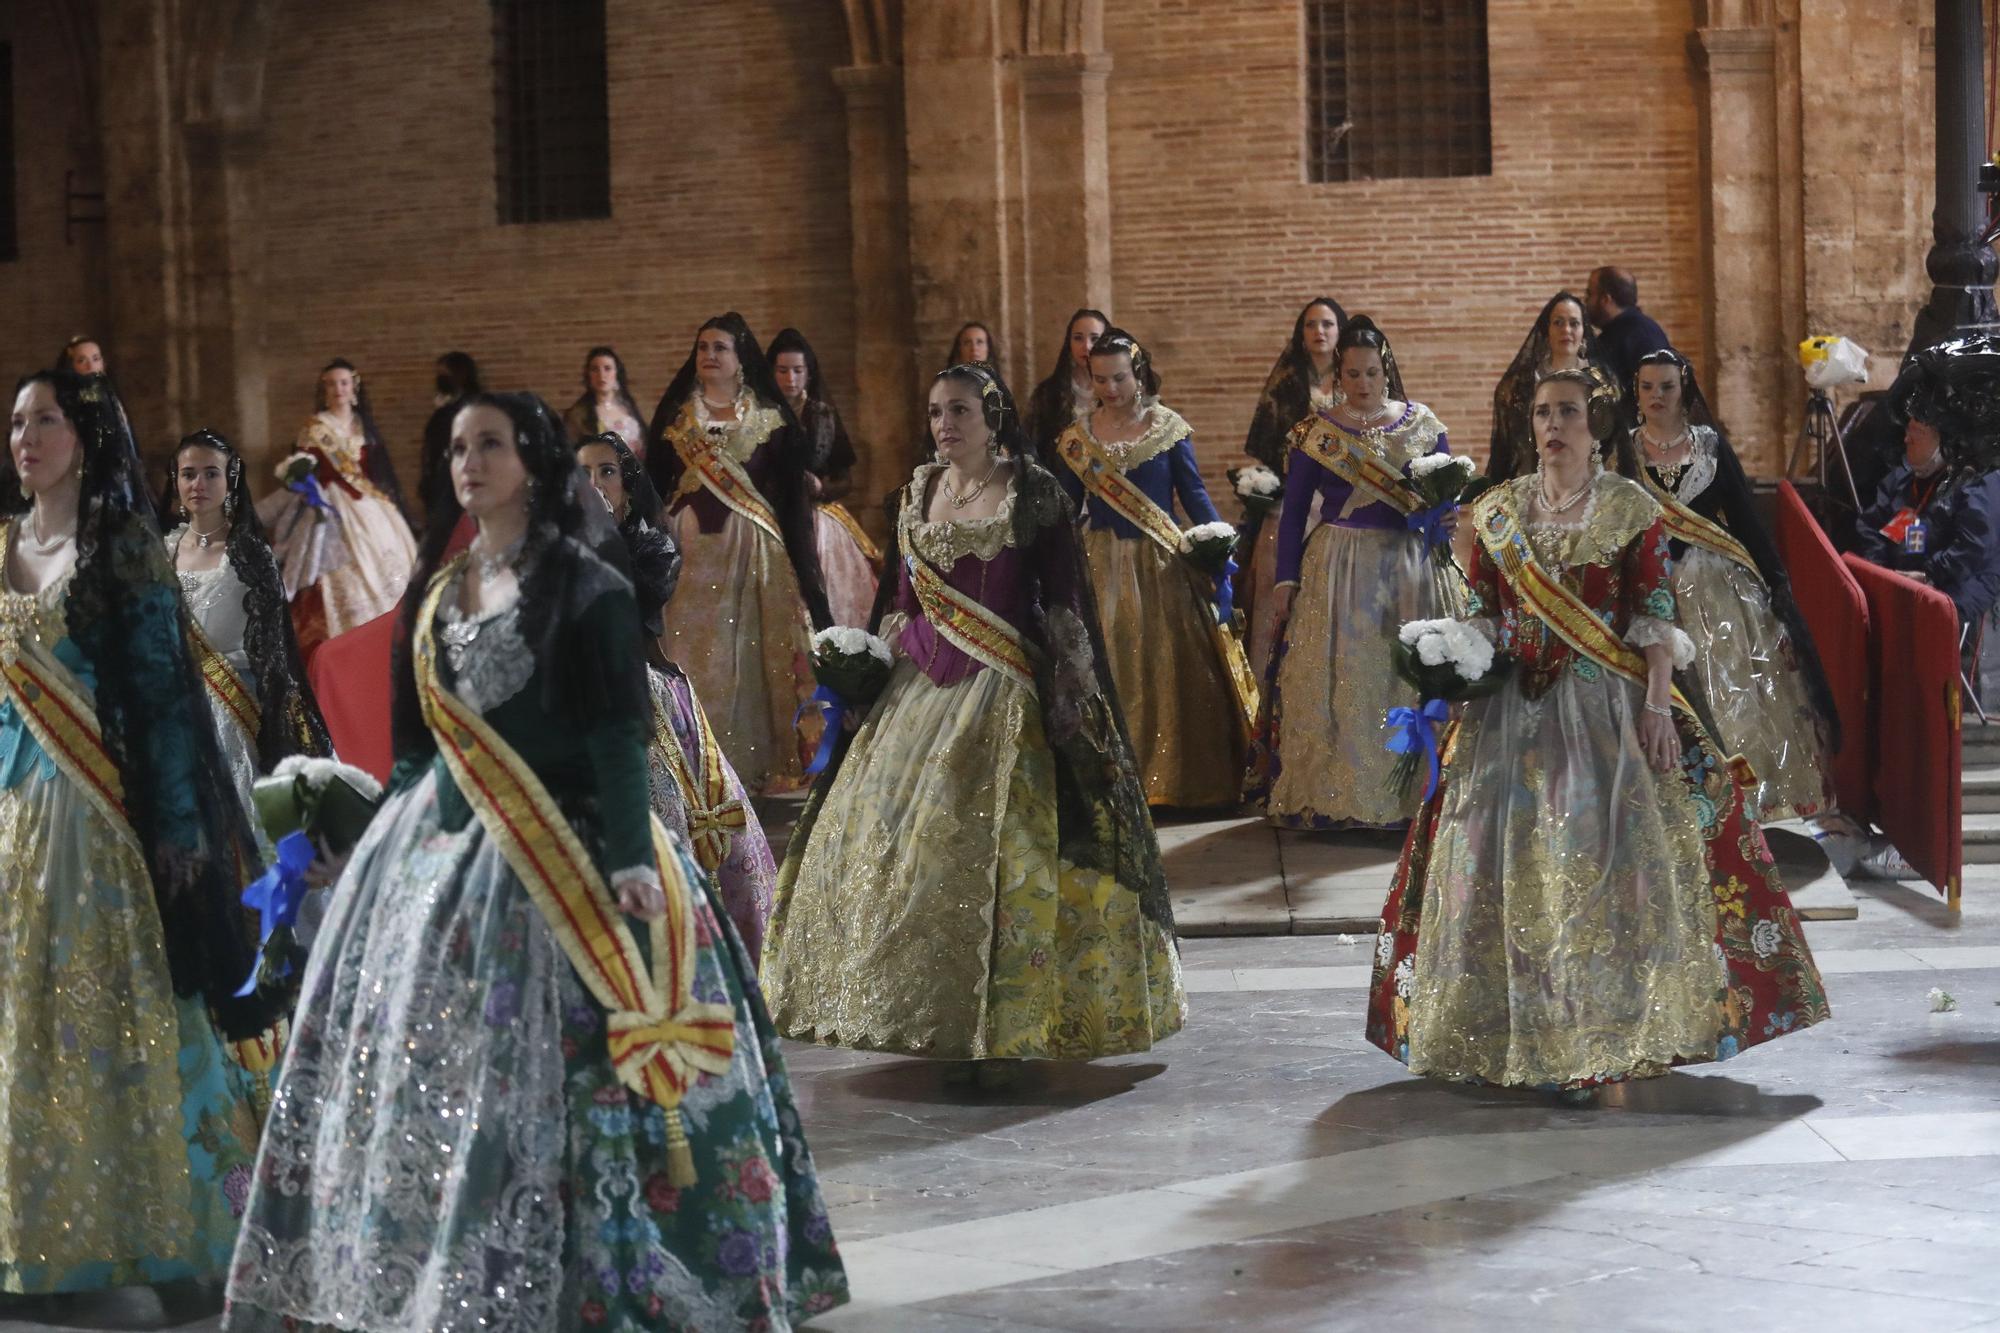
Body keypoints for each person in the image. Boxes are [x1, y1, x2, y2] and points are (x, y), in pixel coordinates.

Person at [224, 393, 849, 1331]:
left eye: (490, 445)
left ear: (535, 460)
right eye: (457, 448)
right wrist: (361, 857)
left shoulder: (584, 589)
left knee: (577, 1079)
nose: (468, 462)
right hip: (446, 869)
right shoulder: (434, 596)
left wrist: (634, 861)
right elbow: (415, 758)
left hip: (580, 852)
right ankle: (436, 1265)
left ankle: (599, 1272)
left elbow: (614, 737)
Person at [1365, 370, 1829, 1102]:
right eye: (1544, 414)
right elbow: (1486, 609)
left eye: (1569, 413)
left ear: (1595, 425)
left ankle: (1601, 1032)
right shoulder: (1498, 510)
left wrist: (1653, 708)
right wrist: (1452, 662)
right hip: (1509, 717)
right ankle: (1510, 1026)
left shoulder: (1627, 506)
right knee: (1505, 870)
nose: (1555, 426)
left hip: (1605, 712)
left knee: (1603, 870)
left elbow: (1652, 614)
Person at [763, 362, 1185, 1085]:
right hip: (916, 686)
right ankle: (925, 1013)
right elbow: (900, 599)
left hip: (1004, 693)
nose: (944, 425)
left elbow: (1064, 604)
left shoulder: (1034, 492)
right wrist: (869, 666)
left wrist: (1069, 697)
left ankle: (1008, 1025)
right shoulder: (917, 492)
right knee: (890, 841)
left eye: (958, 410)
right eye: (934, 412)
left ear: (993, 416)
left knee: (999, 853)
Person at [1, 370, 278, 1305]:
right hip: (13, 825)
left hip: (97, 829)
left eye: (44, 419)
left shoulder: (122, 553)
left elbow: (163, 706)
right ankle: (33, 1235)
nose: (25, 436)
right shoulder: (1, 545)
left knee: (114, 1022)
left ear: (88, 438)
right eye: (15, 422)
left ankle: (150, 1234)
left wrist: (177, 835)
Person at [1245, 316, 1459, 830]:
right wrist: (1285, 580)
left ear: (1386, 372)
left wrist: (1446, 517)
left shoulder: (1422, 423)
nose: (1363, 385)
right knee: (1349, 677)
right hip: (1340, 567)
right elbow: (1295, 513)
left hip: (1409, 567)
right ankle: (1341, 794)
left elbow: (1446, 497)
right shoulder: (1318, 434)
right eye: (1352, 375)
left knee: (1404, 673)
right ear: (1338, 376)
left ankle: (1414, 793)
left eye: (1371, 373)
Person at [577, 428, 778, 957]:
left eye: (606, 472)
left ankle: (696, 953)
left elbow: (626, 607)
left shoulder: (652, 544)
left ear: (626, 480)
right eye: (583, 475)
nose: (595, 484)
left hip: (644, 697)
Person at [1053, 327, 1254, 807]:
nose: (1110, 389)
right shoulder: (1077, 439)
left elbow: (1194, 494)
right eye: (1099, 379)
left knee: (1169, 662)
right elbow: (1063, 506)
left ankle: (1176, 780)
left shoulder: (1167, 428)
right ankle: (1112, 780)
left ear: (1138, 373)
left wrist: (1219, 547)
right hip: (1099, 562)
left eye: (1118, 378)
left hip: (1161, 563)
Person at [1632, 349, 1835, 822]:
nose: (1656, 396)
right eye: (1647, 387)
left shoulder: (1709, 446)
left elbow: (1743, 517)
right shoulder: (1625, 450)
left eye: (1666, 386)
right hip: (1650, 589)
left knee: (1732, 696)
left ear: (1684, 389)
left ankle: (1740, 804)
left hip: (1717, 590)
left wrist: (1775, 581)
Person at [645, 313, 830, 792]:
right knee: (689, 652)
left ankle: (741, 768)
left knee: (742, 659)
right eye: (702, 346)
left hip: (749, 556)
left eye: (719, 348)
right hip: (687, 557)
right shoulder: (677, 420)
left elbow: (789, 497)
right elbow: (652, 487)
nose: (708, 355)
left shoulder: (769, 420)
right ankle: (690, 762)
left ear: (740, 358)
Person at [164, 429, 333, 826]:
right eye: (188, 474)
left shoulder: (251, 557)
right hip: (170, 705)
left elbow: (274, 649)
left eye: (211, 474)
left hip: (233, 708)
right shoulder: (162, 550)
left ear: (231, 481)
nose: (198, 484)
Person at [257, 358, 419, 655]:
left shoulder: (362, 426)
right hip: (328, 506)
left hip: (368, 509)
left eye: (343, 383)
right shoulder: (316, 427)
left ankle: (389, 627)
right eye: (331, 384)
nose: (337, 389)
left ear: (354, 387)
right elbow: (307, 467)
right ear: (324, 389)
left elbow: (374, 472)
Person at [1240, 297, 1348, 678]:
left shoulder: (1354, 382)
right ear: (1301, 334)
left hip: (1343, 498)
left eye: (1327, 324)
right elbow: (1267, 442)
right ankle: (1276, 673)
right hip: (1293, 496)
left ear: (1340, 331)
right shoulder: (1285, 384)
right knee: (1278, 576)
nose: (1319, 331)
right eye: (1311, 324)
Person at [769, 326, 880, 628]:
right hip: (769, 515)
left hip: (818, 518)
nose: (790, 379)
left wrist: (821, 487)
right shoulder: (758, 416)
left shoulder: (822, 415)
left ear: (808, 373)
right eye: (782, 371)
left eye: (797, 370)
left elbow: (845, 479)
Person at [1485, 291, 1617, 481]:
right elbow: (1506, 447)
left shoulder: (1601, 383)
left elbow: (1612, 444)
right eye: (1558, 322)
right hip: (1531, 481)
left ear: (1583, 331)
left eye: (1574, 323)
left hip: (1588, 482)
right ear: (1547, 330)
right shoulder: (1521, 385)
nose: (1566, 330)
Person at [1024, 306, 1109, 468]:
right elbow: (1029, 450)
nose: (1087, 347)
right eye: (1078, 338)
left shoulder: (1120, 392)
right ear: (1068, 343)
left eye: (1095, 339)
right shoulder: (1048, 394)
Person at [1586, 266, 1671, 406]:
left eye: (1590, 294)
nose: (1586, 301)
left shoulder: (1642, 335)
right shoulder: (1619, 332)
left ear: (1606, 299)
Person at [562, 344, 646, 456]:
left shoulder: (632, 408)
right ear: (588, 375)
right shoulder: (578, 415)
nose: (601, 375)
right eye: (594, 369)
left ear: (616, 373)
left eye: (607, 368)